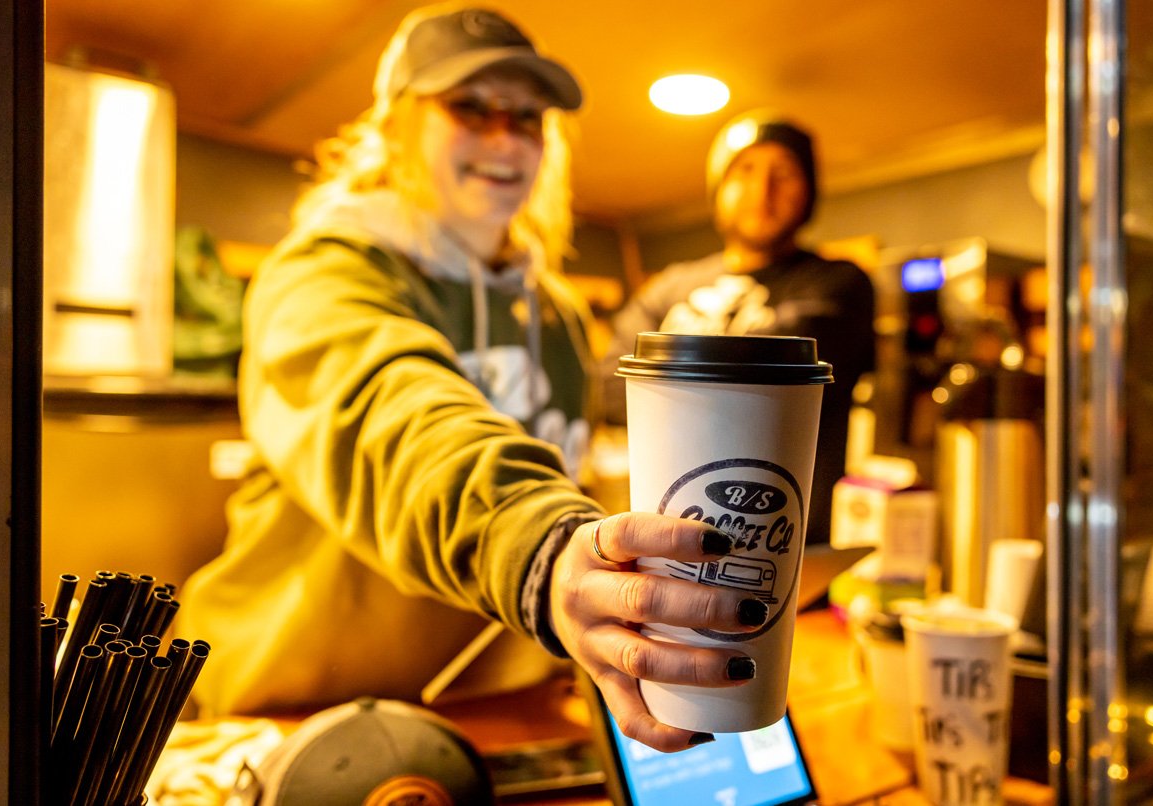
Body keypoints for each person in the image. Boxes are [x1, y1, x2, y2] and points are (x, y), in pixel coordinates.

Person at [178, 3, 770, 753]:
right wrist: (543, 550)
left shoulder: (553, 312)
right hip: (295, 718)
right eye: (470, 108)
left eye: (527, 118)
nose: (504, 137)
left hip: (491, 715)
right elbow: (392, 420)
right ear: (396, 125)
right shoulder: (321, 271)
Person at [603, 110, 877, 546]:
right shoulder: (670, 285)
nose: (761, 190)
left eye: (783, 174)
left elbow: (780, 386)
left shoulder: (837, 282)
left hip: (783, 542)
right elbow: (611, 385)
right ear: (719, 188)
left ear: (809, 192)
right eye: (744, 171)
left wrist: (669, 382)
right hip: (668, 539)